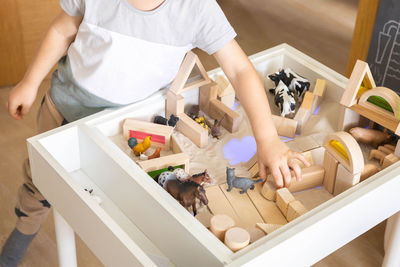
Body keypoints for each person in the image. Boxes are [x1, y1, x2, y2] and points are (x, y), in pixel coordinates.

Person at [1, 0, 309, 265]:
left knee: (116, 203)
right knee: (40, 185)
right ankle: (23, 231)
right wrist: (30, 81)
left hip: (124, 130)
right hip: (64, 111)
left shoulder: (197, 9)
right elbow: (61, 30)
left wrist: (267, 138)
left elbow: (240, 70)